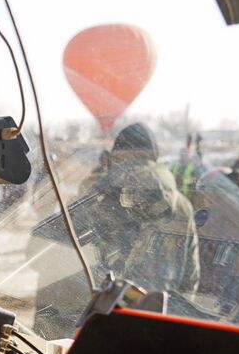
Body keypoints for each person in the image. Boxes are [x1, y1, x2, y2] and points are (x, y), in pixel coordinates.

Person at [84, 122, 200, 295]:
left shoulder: (101, 197)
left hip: (107, 311)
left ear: (115, 156)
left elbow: (70, 261)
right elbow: (190, 278)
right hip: (160, 314)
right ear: (155, 155)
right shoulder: (183, 206)